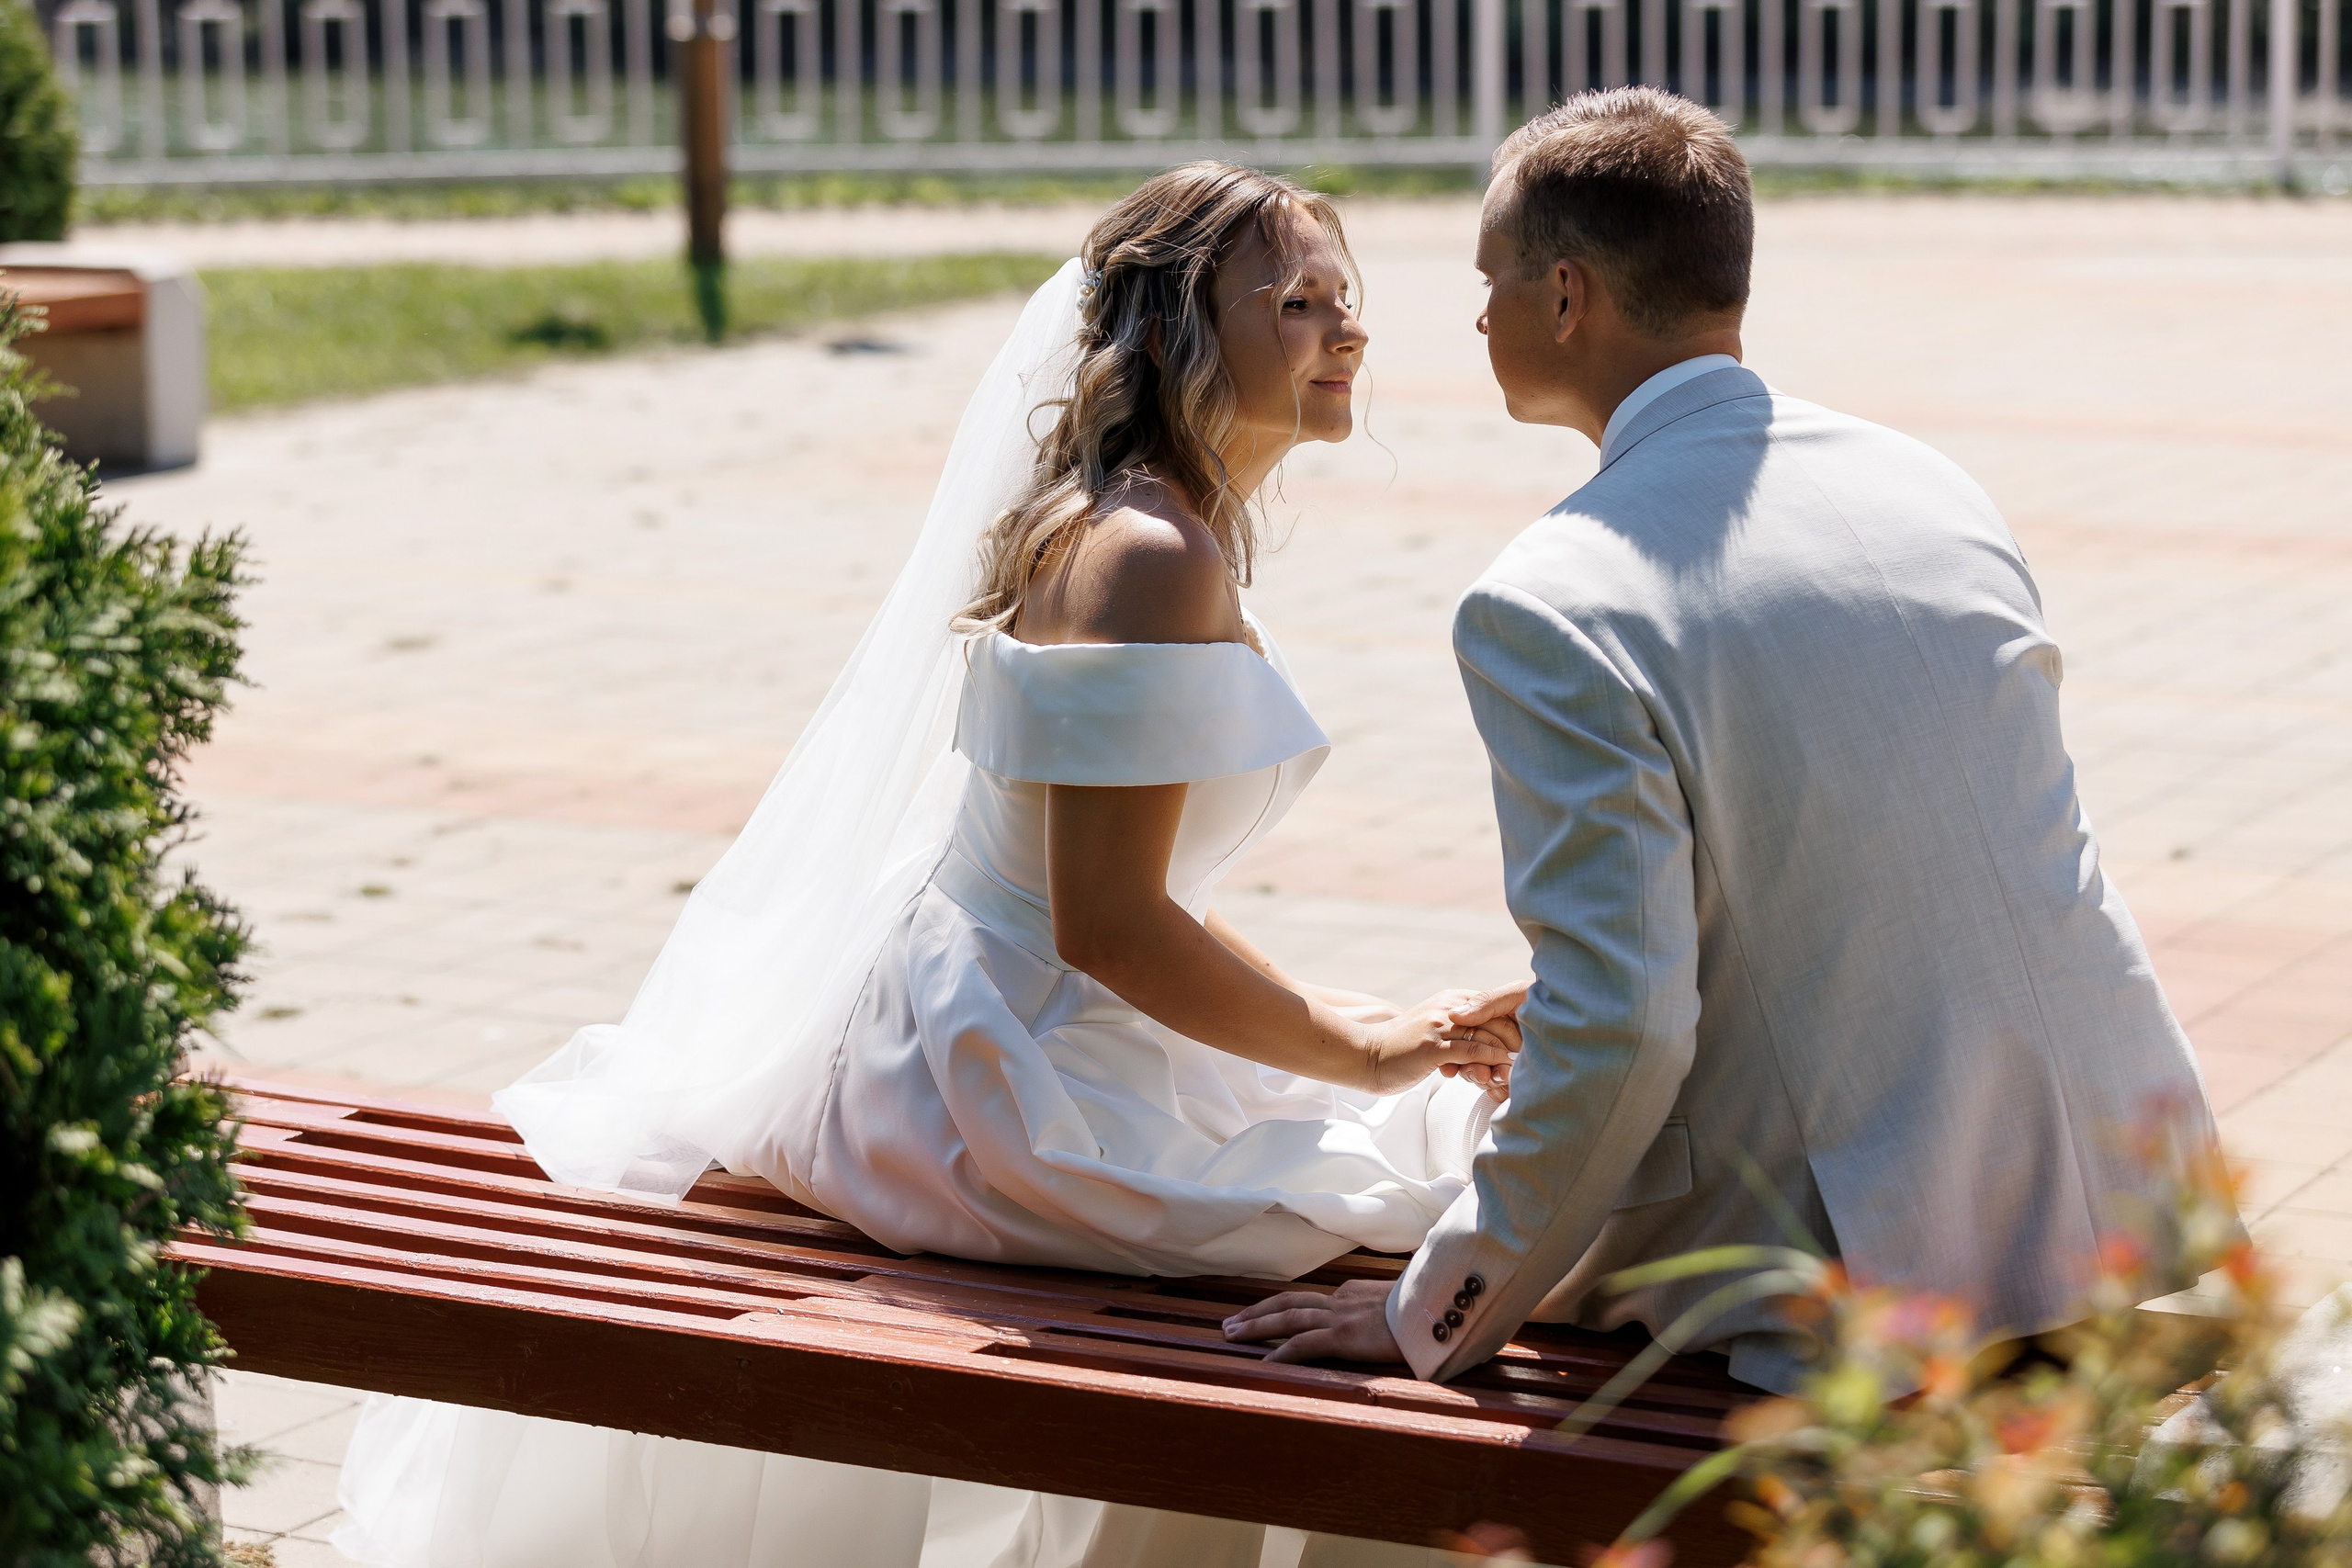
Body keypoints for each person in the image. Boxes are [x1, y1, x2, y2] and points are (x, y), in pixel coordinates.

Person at [335, 164, 1522, 1568]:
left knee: (1447, 1169)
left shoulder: (1144, 520)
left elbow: (1118, 910)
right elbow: (1112, 929)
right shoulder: (1149, 555)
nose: (1348, 332)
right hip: (994, 1080)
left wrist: (1378, 1027)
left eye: (1348, 300)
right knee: (1439, 1215)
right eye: (1299, 302)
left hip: (993, 1015)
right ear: (1177, 334)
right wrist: (1373, 1050)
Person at [1226, 88, 2229, 1393]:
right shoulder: (1929, 481)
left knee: (1327, 1223)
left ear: (1568, 297)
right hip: (2106, 1196)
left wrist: (1438, 1312)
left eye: (1494, 280)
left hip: (1842, 1262)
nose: (1479, 318)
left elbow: (1625, 1028)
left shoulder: (1558, 593)